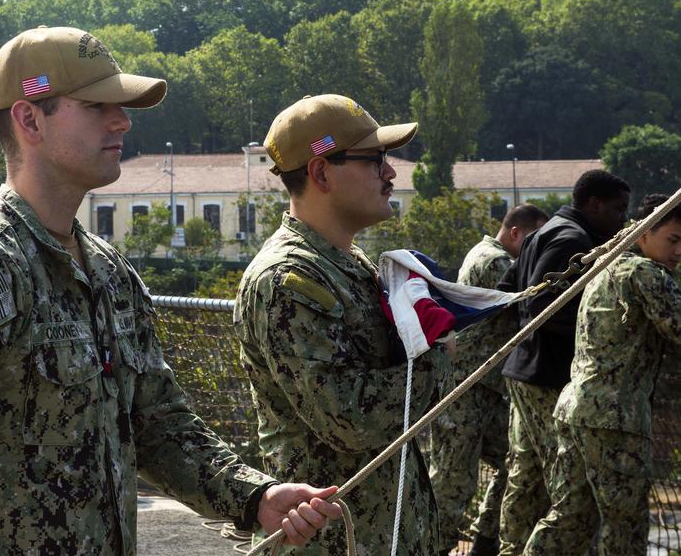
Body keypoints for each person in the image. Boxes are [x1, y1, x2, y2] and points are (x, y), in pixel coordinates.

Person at [0, 26, 341, 555]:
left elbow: (160, 426)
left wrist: (257, 497)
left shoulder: (110, 273)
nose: (122, 120)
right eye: (96, 106)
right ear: (29, 119)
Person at [234, 94, 455, 554]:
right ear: (320, 172)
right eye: (375, 160)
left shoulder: (345, 263)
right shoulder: (288, 281)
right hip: (336, 542)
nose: (390, 174)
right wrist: (443, 358)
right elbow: (349, 420)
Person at [523, 194, 681, 555]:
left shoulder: (606, 268)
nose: (678, 251)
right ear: (643, 234)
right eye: (672, 240)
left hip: (575, 411)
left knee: (570, 516)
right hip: (614, 419)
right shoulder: (646, 272)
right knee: (624, 522)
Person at [495, 170, 631, 555]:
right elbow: (539, 304)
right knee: (566, 483)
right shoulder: (573, 239)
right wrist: (595, 329)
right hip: (547, 377)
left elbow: (508, 292)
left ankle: (512, 548)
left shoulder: (544, 231)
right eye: (619, 209)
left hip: (524, 369)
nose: (623, 219)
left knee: (526, 477)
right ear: (594, 204)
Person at [429, 204, 548, 556]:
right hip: (466, 386)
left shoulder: (494, 255)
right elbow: (529, 300)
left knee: (514, 461)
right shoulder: (493, 260)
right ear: (515, 233)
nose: (536, 250)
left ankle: (486, 538)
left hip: (488, 388)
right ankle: (432, 547)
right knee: (453, 479)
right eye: (534, 240)